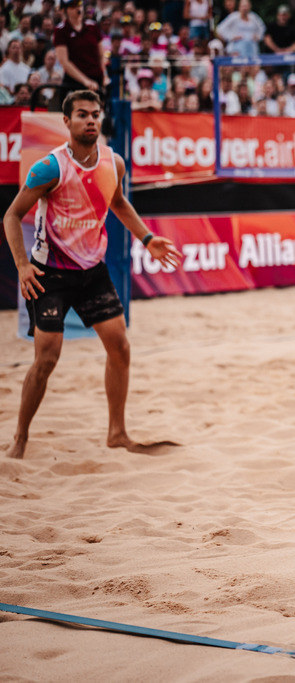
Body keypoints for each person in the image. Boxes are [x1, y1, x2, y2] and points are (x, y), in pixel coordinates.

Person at [2, 90, 182, 459]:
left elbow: (117, 202)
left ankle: (117, 433)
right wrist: (22, 265)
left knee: (120, 347)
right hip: (49, 273)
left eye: (96, 114)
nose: (91, 120)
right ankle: (20, 439)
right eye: (82, 114)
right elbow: (11, 215)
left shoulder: (113, 163)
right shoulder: (49, 167)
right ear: (66, 122)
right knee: (47, 359)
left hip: (91, 270)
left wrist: (147, 239)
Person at [52, 0, 107, 109]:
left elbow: (101, 55)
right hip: (74, 81)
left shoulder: (92, 27)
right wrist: (85, 81)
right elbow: (64, 62)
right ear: (65, 10)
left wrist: (104, 75)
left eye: (79, 5)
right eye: (73, 6)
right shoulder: (61, 30)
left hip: (96, 80)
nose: (78, 9)